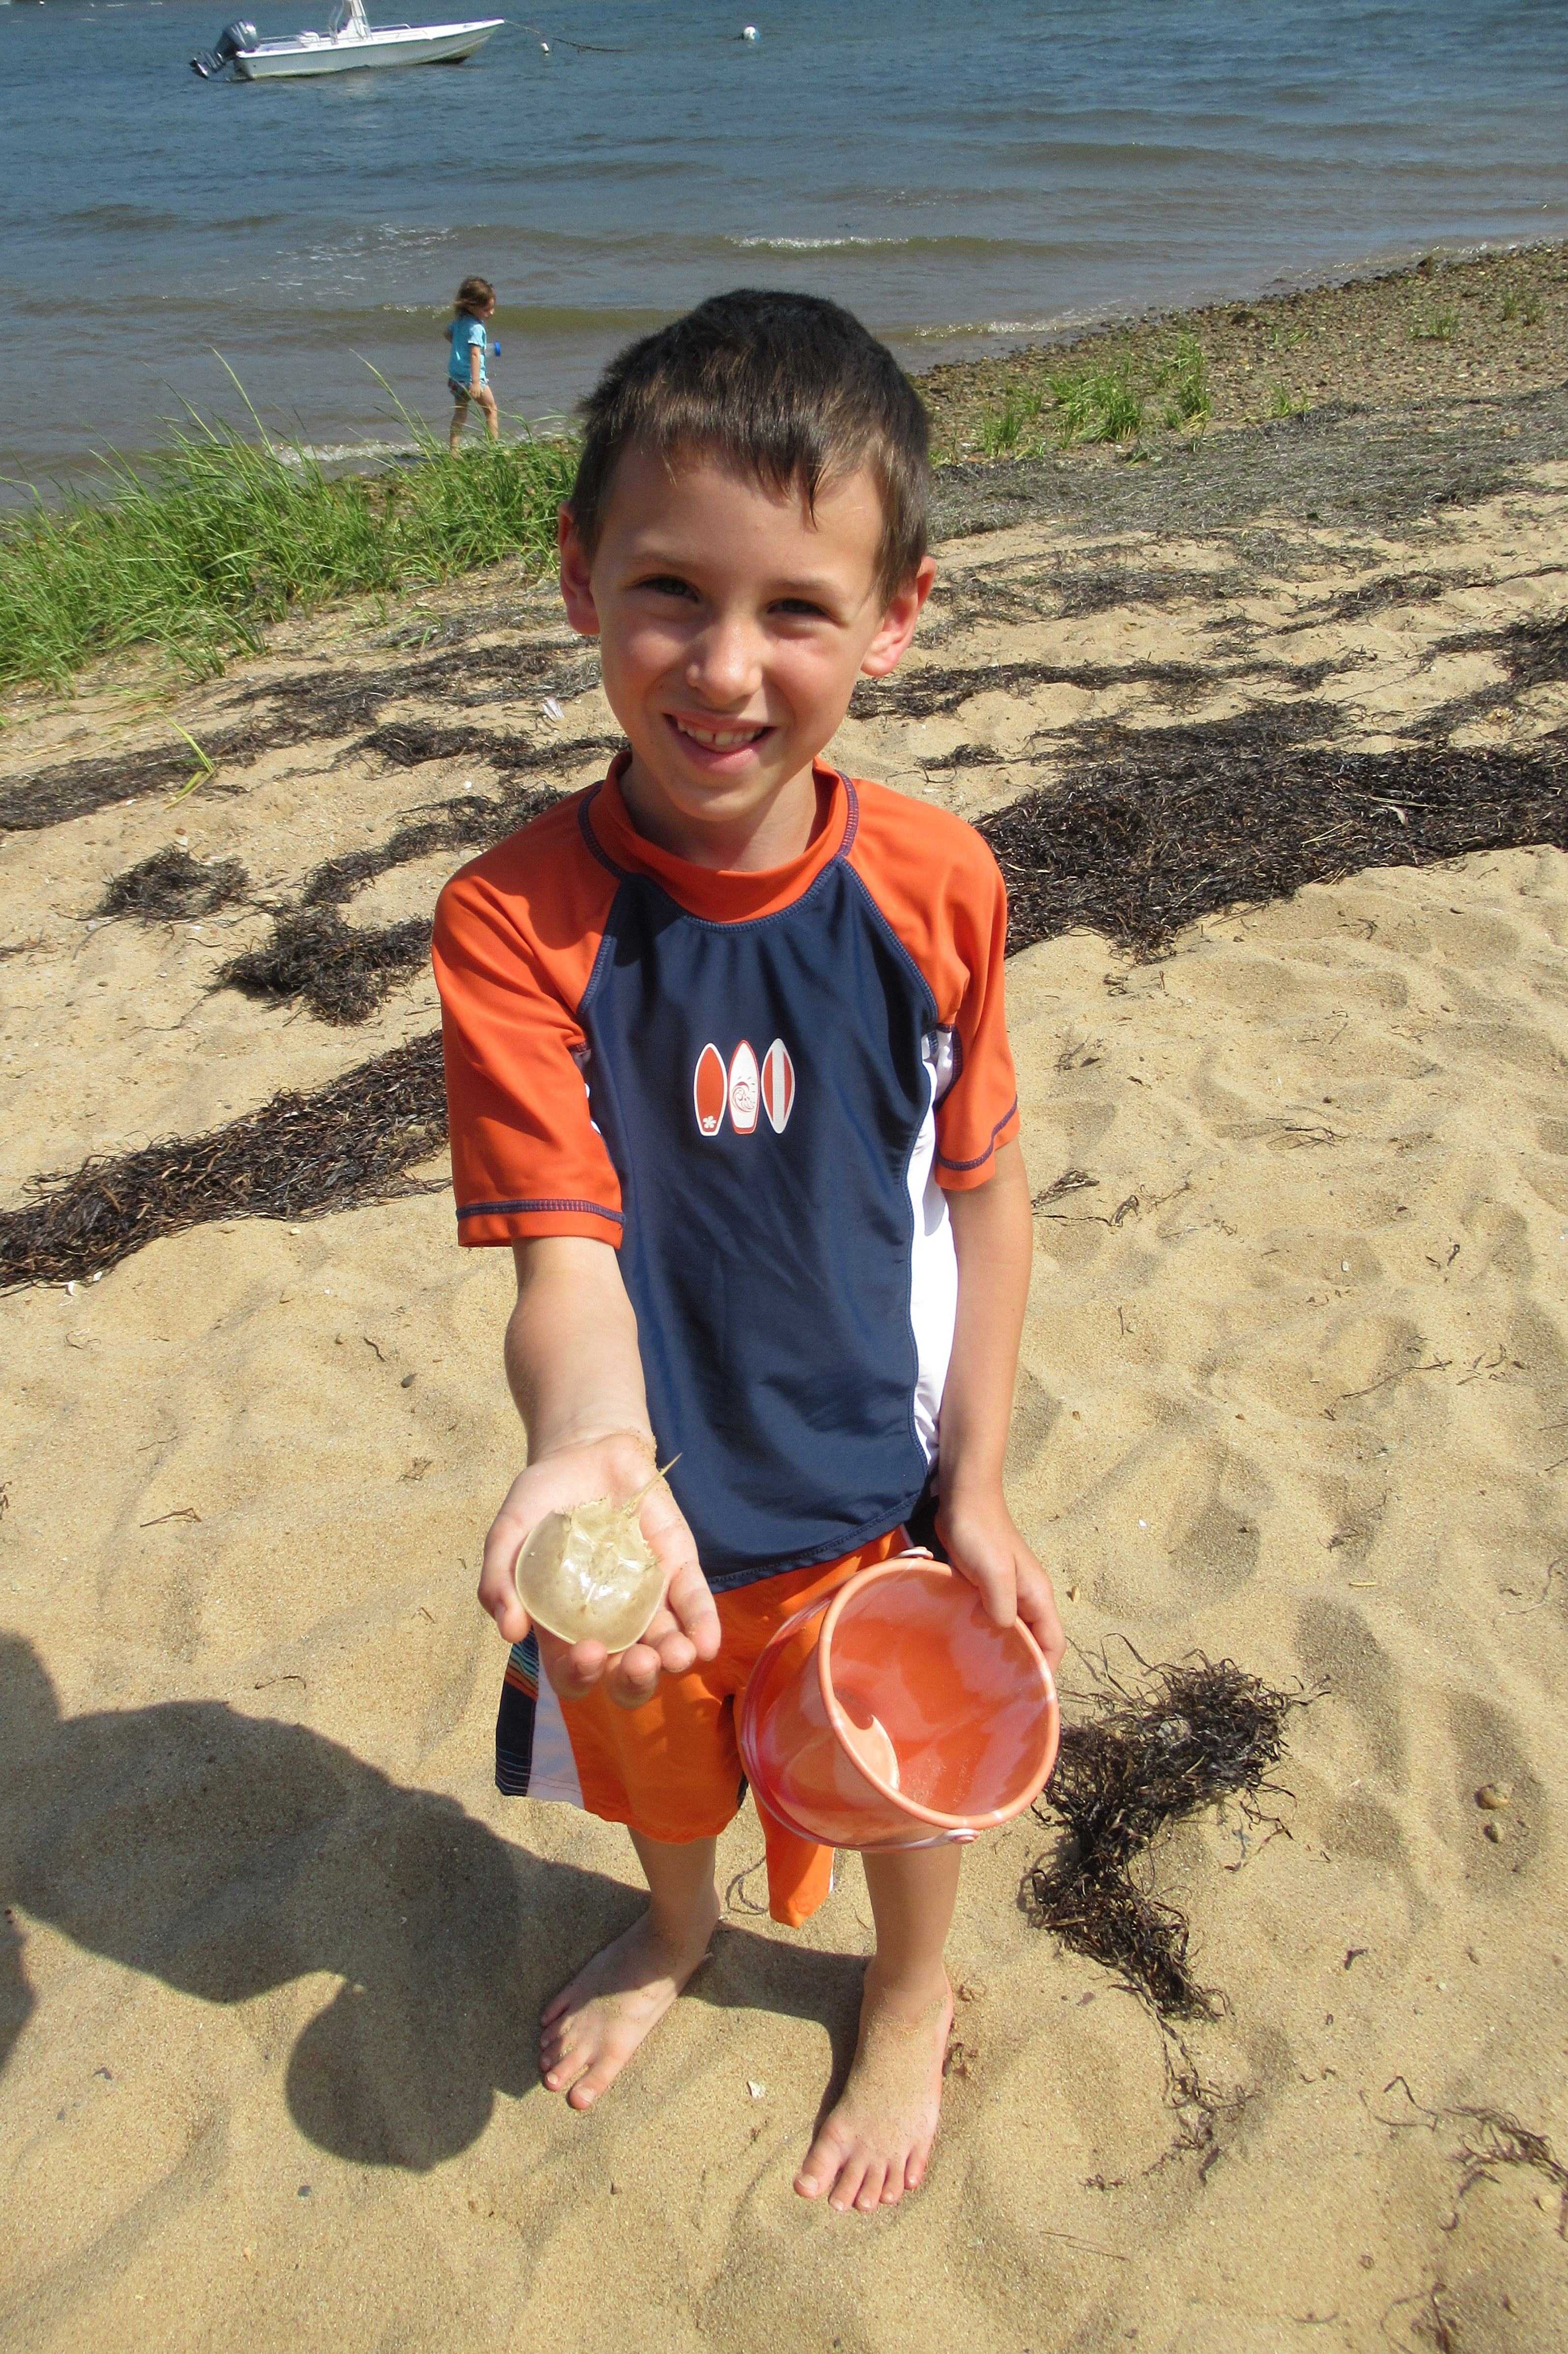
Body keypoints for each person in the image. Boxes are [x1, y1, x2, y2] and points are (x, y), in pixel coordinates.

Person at [431, 288, 1063, 2215]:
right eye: (668, 592)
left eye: (795, 608)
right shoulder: (512, 922)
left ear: (894, 617)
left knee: (906, 1768)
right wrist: (585, 1449)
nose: (721, 667)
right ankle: (684, 1924)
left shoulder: (935, 887)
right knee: (651, 1759)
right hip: (644, 1518)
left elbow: (985, 1195)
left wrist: (976, 1486)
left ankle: (907, 1985)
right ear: (578, 577)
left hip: (871, 1486)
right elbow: (562, 1256)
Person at [447, 274, 499, 452]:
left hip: (456, 379)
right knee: (491, 410)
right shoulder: (477, 328)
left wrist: (460, 347)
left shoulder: (460, 323)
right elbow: (476, 354)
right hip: (472, 380)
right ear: (471, 306)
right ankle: (494, 448)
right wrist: (476, 382)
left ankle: (454, 450)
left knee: (460, 413)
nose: (491, 313)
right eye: (486, 309)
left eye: (492, 308)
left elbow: (448, 334)